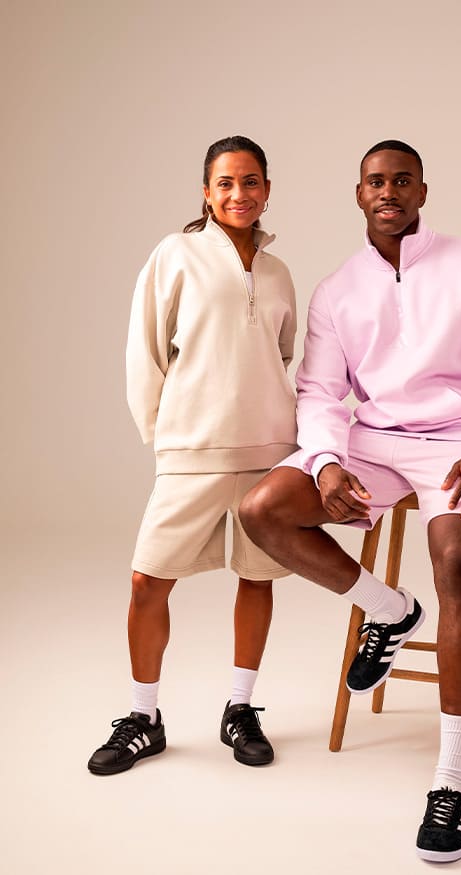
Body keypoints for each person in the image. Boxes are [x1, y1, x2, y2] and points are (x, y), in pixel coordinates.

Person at [239, 140, 461, 862]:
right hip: (373, 441)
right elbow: (320, 392)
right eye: (376, 181)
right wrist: (325, 462)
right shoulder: (338, 289)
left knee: (456, 567)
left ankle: (452, 783)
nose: (389, 192)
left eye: (402, 180)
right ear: (358, 194)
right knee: (262, 509)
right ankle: (389, 609)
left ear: (422, 192)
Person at [87, 136, 297, 775]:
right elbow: (145, 349)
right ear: (206, 193)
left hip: (267, 451)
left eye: (251, 181)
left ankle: (241, 709)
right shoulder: (174, 255)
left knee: (258, 577)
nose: (239, 193)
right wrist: (165, 435)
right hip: (191, 449)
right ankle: (143, 718)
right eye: (225, 183)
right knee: (148, 581)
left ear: (267, 190)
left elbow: (283, 356)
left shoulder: (279, 272)